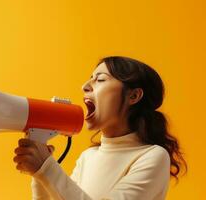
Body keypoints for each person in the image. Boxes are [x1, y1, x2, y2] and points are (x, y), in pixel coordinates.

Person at [13, 56, 187, 200]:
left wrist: (46, 167)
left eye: (100, 79)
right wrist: (38, 175)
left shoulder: (153, 156)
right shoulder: (88, 157)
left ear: (133, 95)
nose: (85, 86)